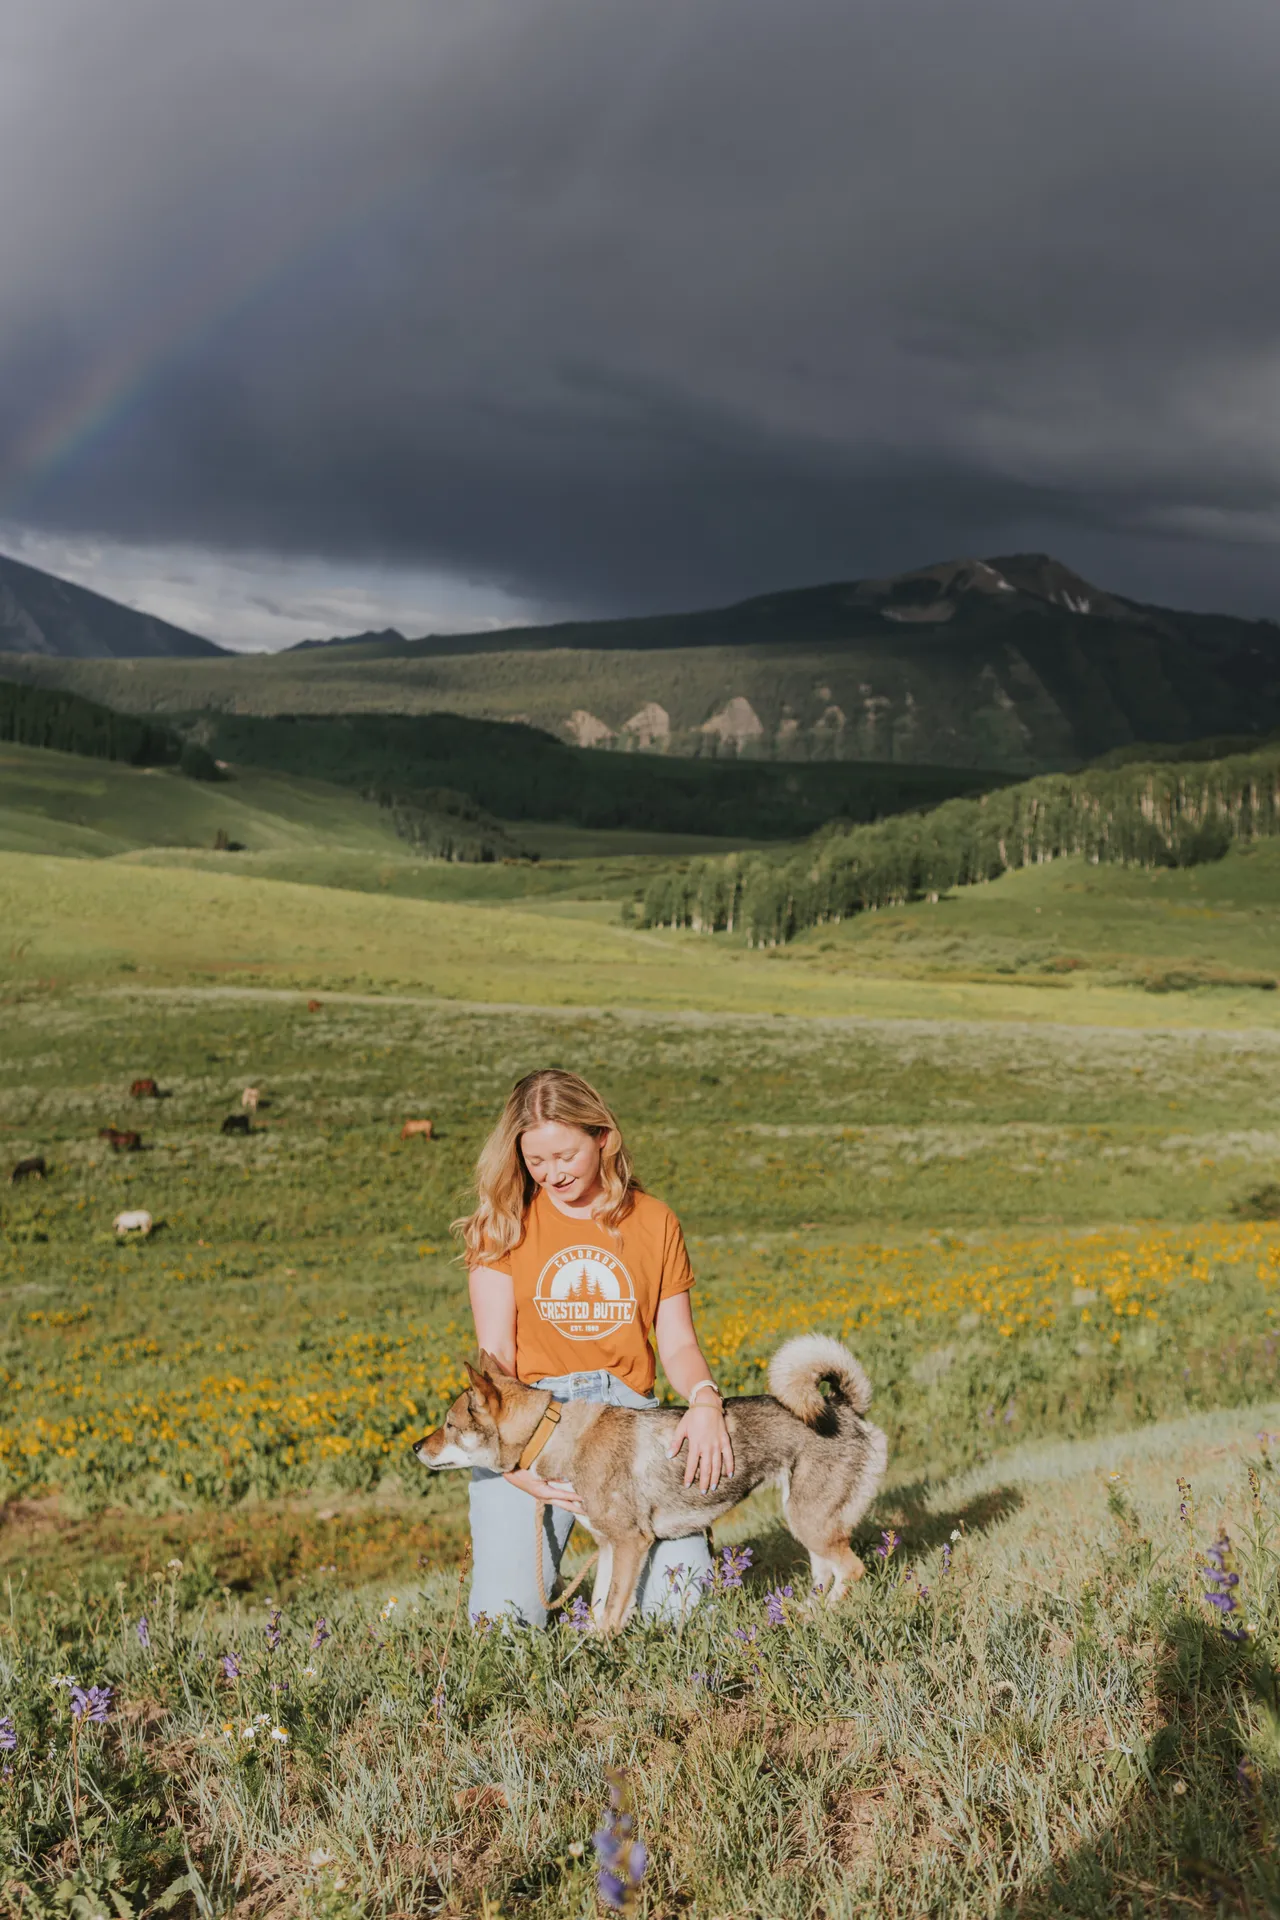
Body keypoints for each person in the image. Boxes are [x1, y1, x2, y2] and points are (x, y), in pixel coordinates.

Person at [455, 1067, 733, 1626]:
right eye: (536, 1161)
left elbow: (676, 1341)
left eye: (566, 1156)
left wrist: (705, 1400)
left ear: (603, 1138)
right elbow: (495, 1361)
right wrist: (512, 1465)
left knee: (682, 1616)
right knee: (503, 1625)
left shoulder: (654, 1221)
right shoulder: (502, 1226)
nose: (551, 1174)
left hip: (632, 1424)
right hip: (533, 1419)